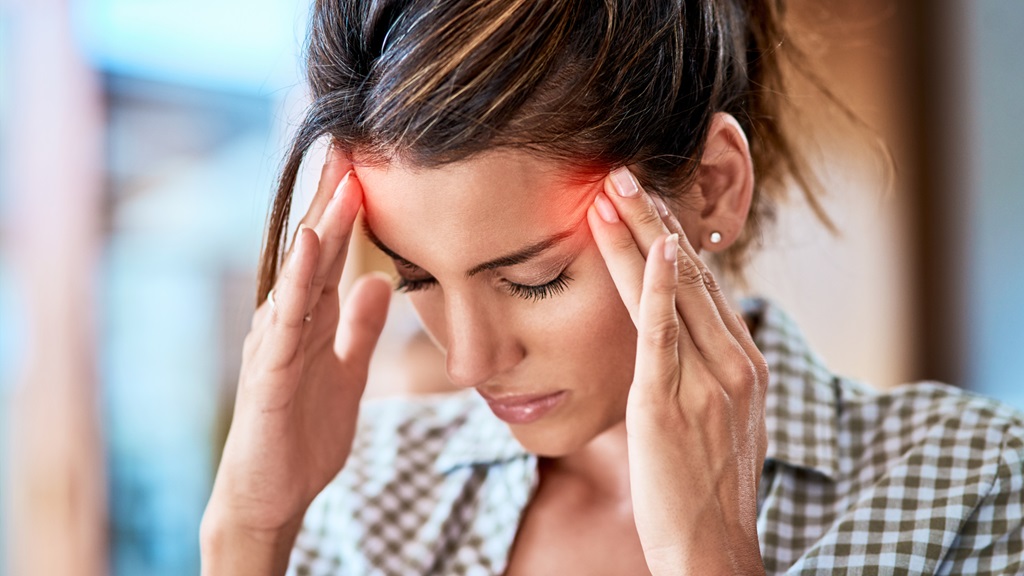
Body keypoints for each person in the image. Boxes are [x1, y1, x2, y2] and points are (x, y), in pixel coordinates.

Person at [199, 1, 1024, 574]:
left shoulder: (975, 488)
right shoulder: (365, 501)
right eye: (417, 276)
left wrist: (712, 564)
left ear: (710, 187)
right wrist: (248, 531)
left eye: (534, 278)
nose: (468, 361)